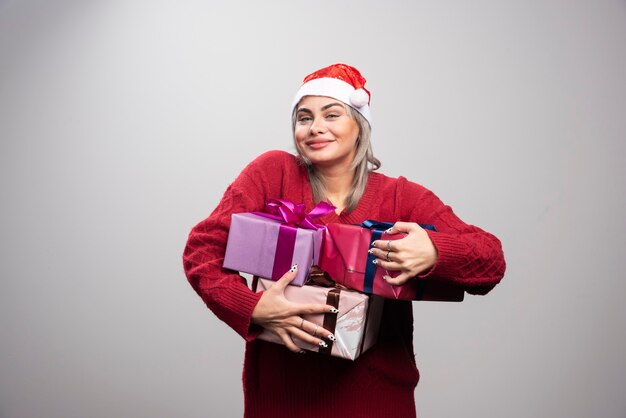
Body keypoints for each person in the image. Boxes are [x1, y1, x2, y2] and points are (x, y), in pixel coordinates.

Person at [183, 63, 506, 418]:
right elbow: (202, 250)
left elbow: (490, 261)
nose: (315, 127)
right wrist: (252, 307)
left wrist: (435, 250)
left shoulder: (400, 197)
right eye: (304, 117)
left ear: (359, 126)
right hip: (281, 401)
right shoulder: (273, 173)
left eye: (331, 114)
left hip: (377, 401)